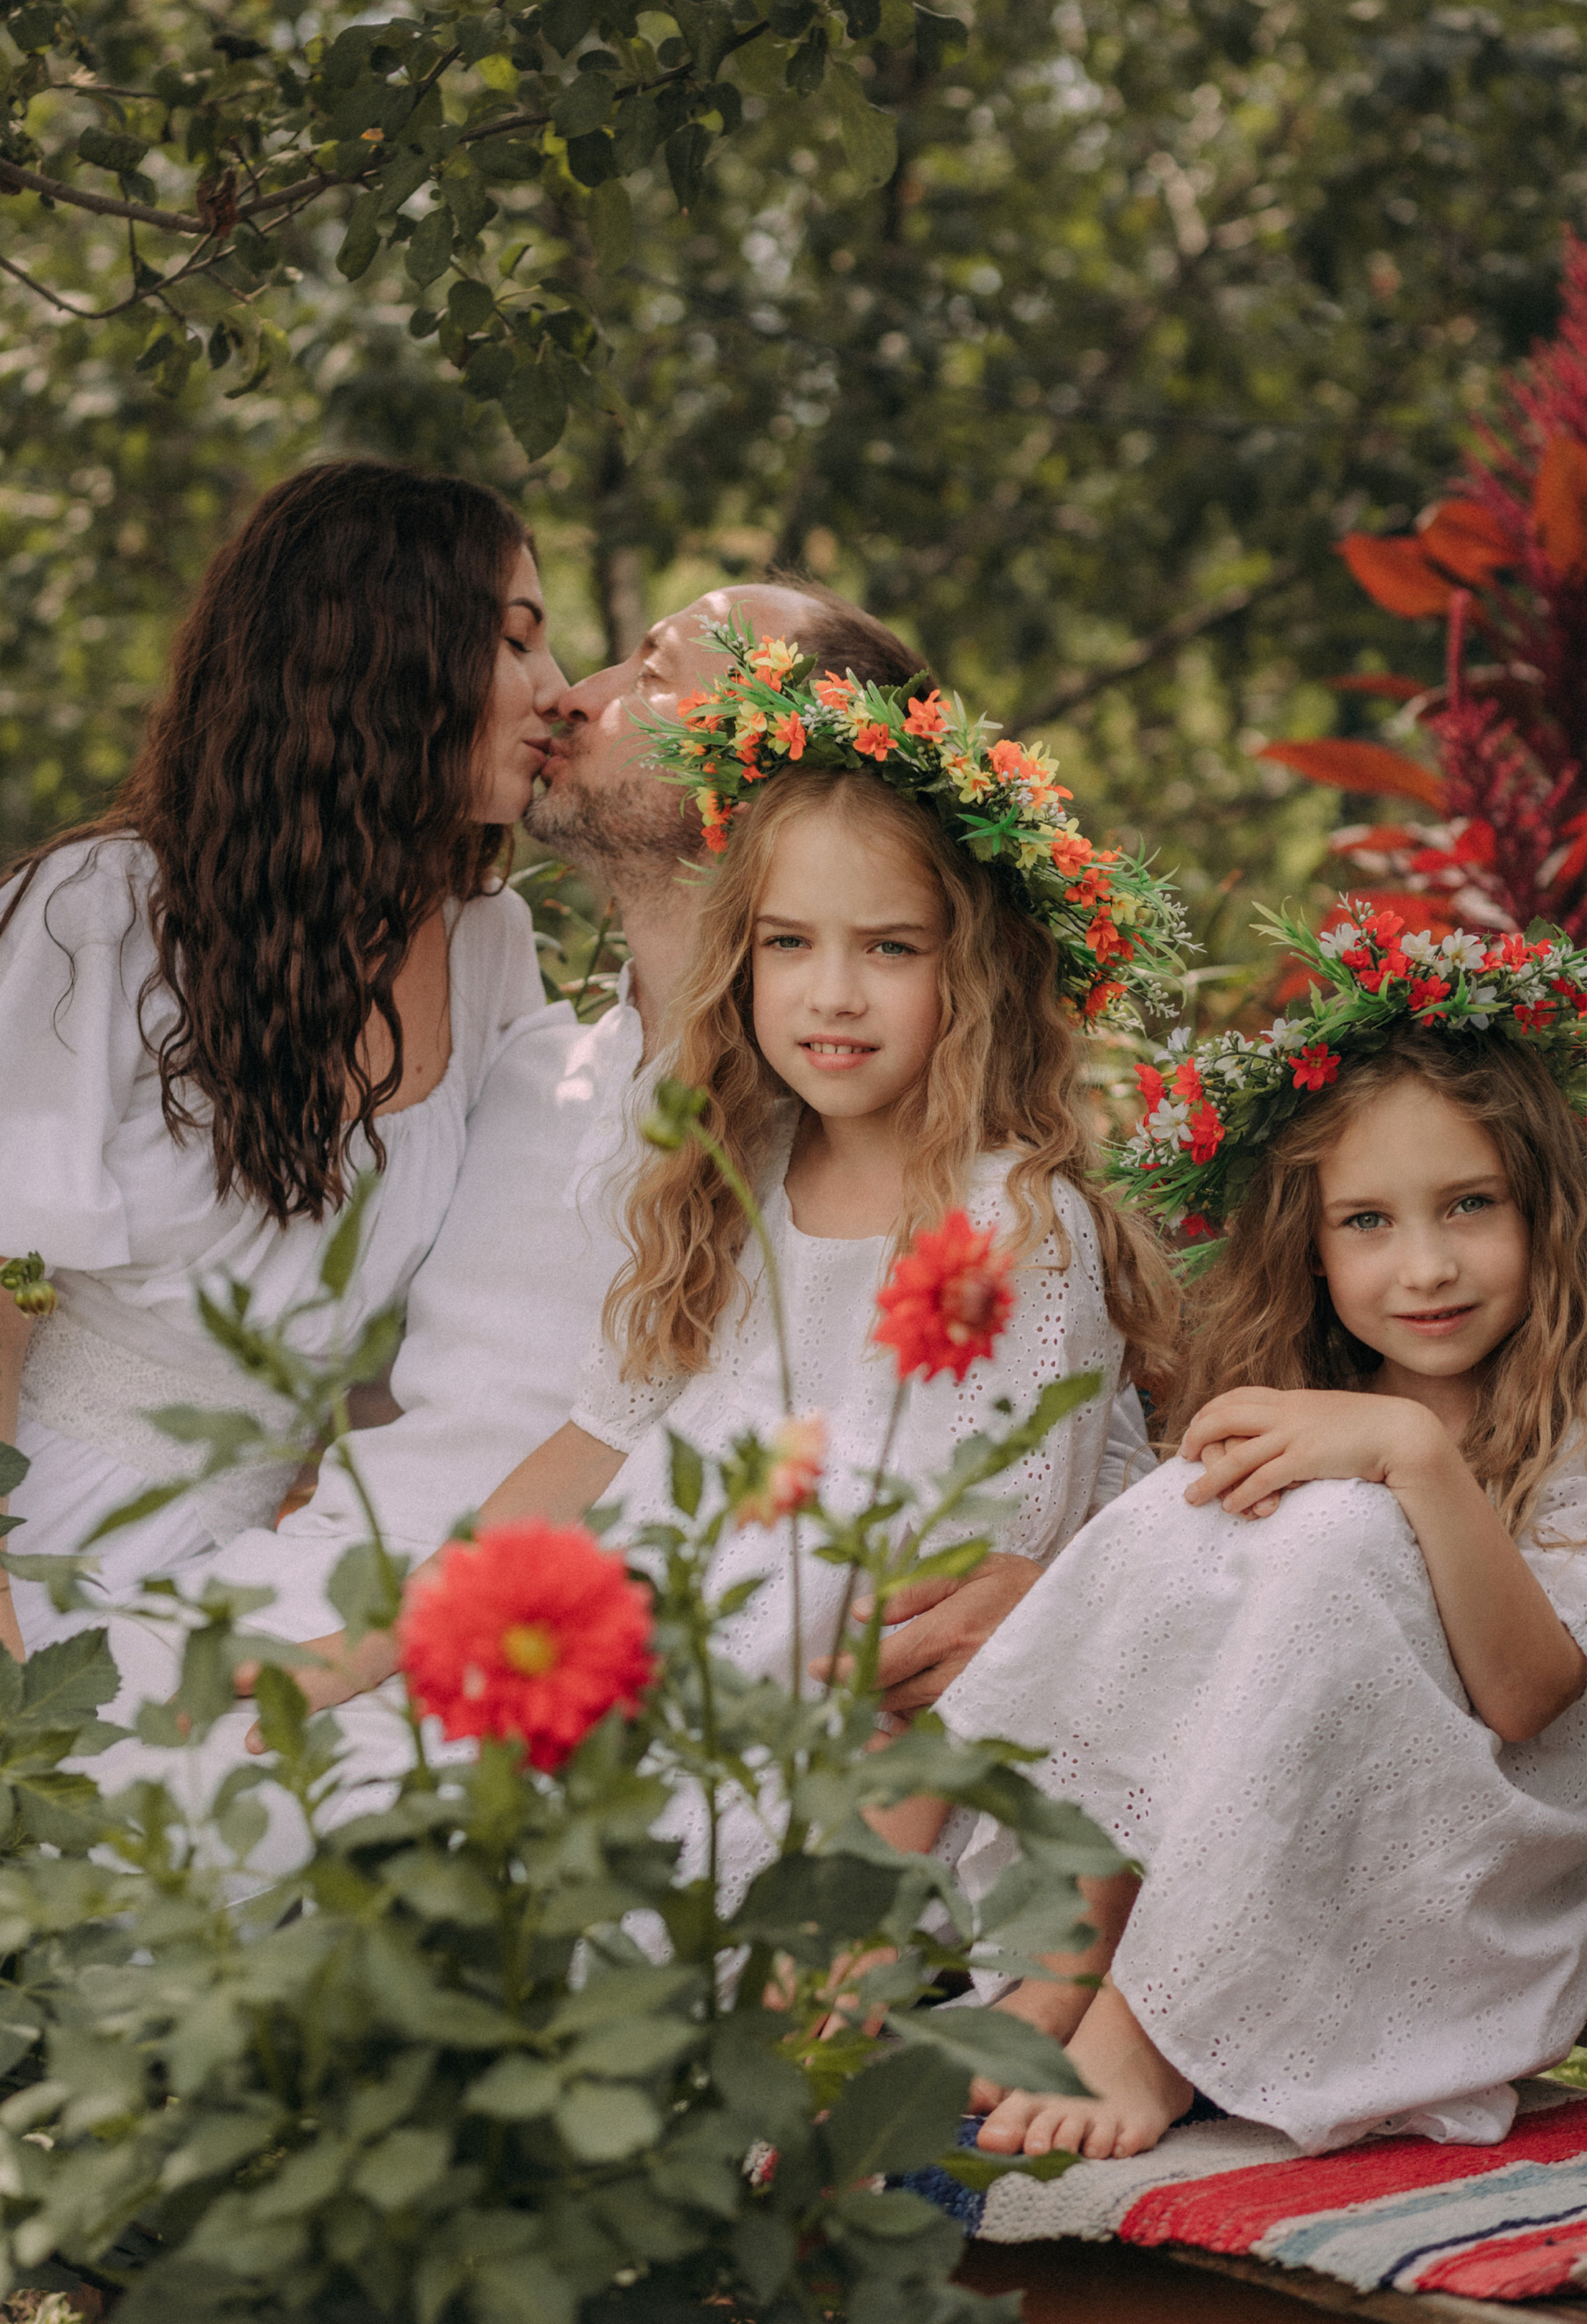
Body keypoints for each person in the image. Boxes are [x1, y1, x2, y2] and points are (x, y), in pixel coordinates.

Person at [459, 629, 1185, 1902]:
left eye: (890, 949)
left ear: (973, 970)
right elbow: (592, 1443)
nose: (830, 996)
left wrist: (836, 1961)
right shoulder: (732, 1171)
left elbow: (939, 1651)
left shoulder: (1011, 1229)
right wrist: (397, 1639)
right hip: (677, 1684)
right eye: (789, 945)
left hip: (866, 1798)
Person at [895, 904, 1587, 2160]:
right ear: (1311, 1248)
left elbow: (1530, 1697)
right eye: (1367, 1222)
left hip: (1470, 1858)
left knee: (1334, 1535)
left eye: (1468, 1206)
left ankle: (1155, 2031)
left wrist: (1412, 1456)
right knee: (1182, 1504)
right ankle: (1072, 1950)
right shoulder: (1326, 1410)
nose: (1422, 1266)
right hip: (1269, 1836)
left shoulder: (1560, 1427)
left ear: (1543, 1208)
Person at [0, 459, 564, 1660]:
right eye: (515, 644)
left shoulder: (489, 948)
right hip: (39, 1530)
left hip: (278, 1576)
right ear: (384, 656)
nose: (554, 693)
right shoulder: (101, 910)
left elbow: (450, 1328)